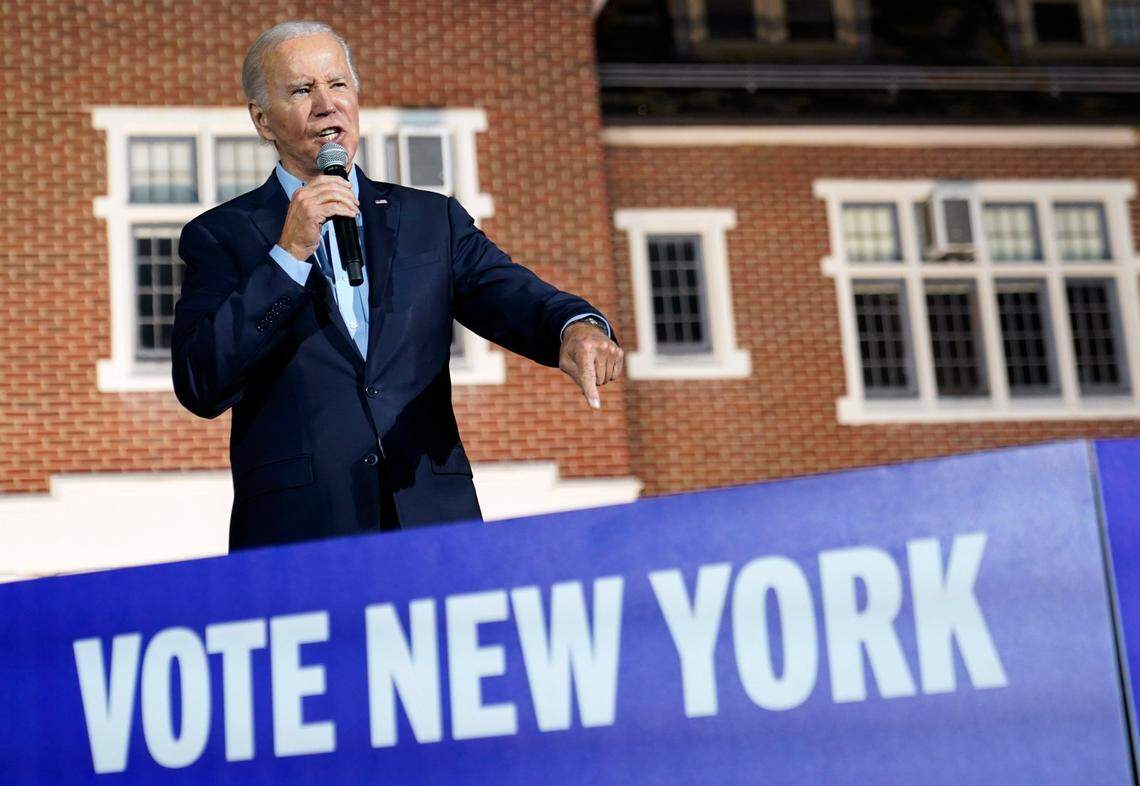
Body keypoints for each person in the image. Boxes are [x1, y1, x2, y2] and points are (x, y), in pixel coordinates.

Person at [172, 21, 622, 549]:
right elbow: (201, 382)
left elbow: (514, 296)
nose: (326, 105)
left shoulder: (430, 220)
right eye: (302, 90)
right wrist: (287, 256)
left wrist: (575, 327)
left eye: (338, 84)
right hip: (300, 533)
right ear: (262, 119)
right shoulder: (220, 235)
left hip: (429, 518)